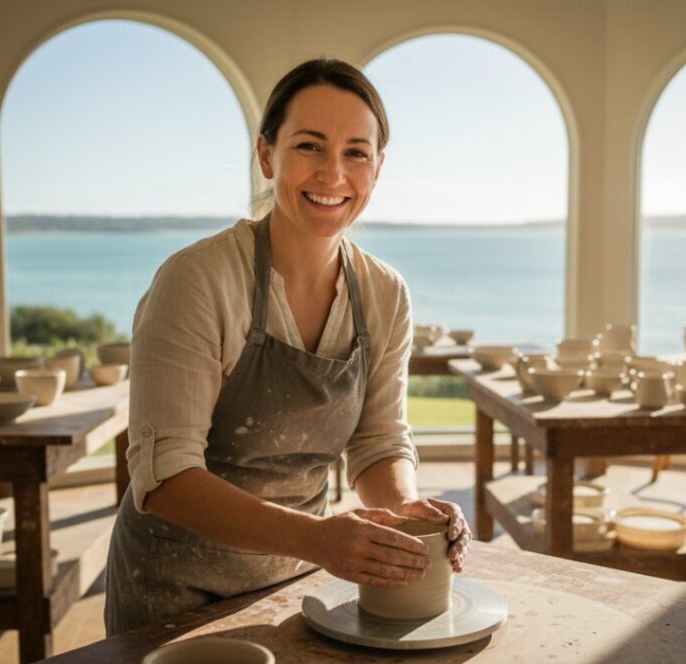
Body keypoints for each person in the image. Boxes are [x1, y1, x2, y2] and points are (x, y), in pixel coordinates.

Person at [104, 58, 471, 635]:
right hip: (171, 590)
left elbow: (377, 439)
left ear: (377, 167)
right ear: (267, 155)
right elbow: (165, 477)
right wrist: (319, 538)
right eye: (309, 146)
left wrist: (403, 508)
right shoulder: (196, 280)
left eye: (356, 151)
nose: (333, 174)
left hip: (297, 586)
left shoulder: (384, 293)